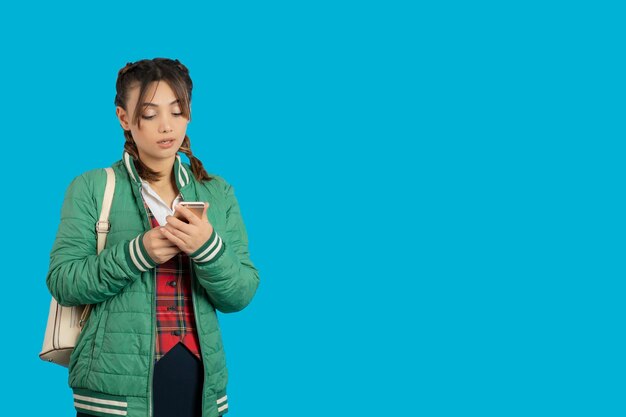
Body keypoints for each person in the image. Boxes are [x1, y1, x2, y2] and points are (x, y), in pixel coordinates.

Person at [46, 57, 260, 417]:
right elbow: (63, 282)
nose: (166, 126)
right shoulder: (93, 187)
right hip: (114, 392)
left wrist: (207, 249)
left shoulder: (217, 192)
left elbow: (241, 294)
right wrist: (138, 252)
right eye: (149, 113)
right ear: (124, 118)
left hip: (201, 387)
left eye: (177, 112)